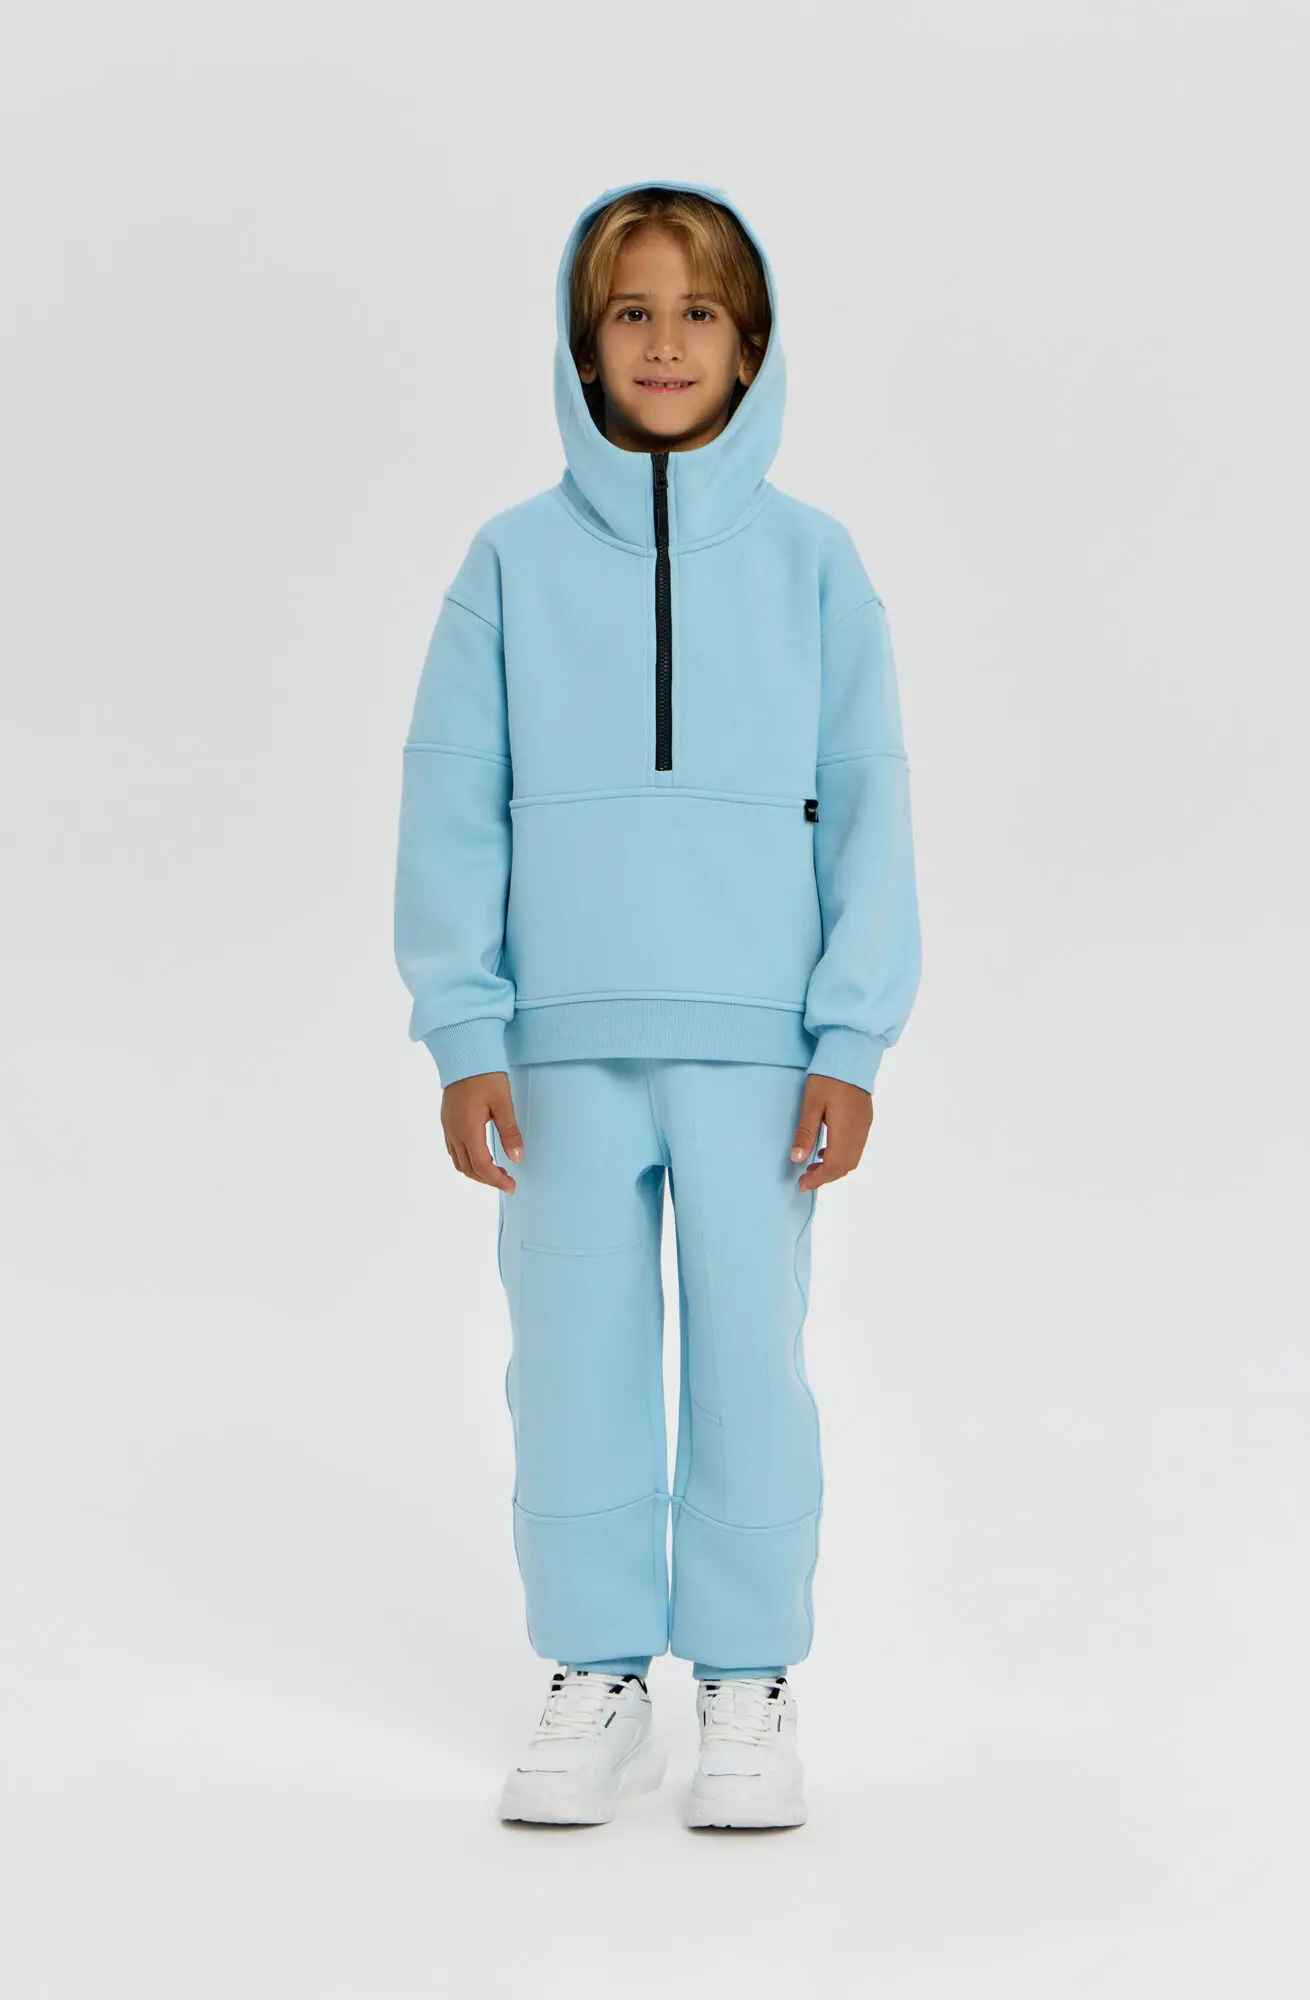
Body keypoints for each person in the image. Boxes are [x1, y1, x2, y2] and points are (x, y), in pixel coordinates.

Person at [394, 177, 922, 1829]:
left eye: (699, 312)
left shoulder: (817, 565)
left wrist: (849, 1035)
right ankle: (596, 1674)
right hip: (557, 1047)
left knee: (752, 1361)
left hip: (757, 1047)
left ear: (750, 345)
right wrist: (464, 1028)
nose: (666, 342)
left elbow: (869, 801)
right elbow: (450, 801)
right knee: (568, 1361)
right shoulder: (508, 562)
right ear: (583, 342)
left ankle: (747, 1682)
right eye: (632, 311)